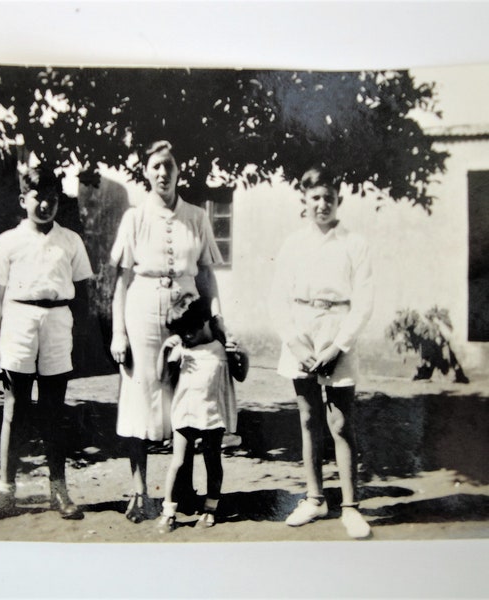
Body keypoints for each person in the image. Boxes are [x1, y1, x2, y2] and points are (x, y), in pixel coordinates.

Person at [109, 140, 226, 523]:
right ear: (145, 171)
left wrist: (218, 320)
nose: (163, 172)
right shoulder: (135, 218)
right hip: (142, 312)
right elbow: (122, 282)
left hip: (190, 317)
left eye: (169, 166)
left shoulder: (196, 216)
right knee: (141, 395)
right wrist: (118, 333)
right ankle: (140, 491)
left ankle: (185, 490)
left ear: (179, 171)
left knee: (188, 397)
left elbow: (207, 273)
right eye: (156, 166)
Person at [0, 164, 94, 522]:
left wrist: (76, 333)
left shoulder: (70, 240)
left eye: (52, 198)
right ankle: (5, 491)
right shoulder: (8, 241)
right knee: (14, 408)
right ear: (22, 200)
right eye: (38, 198)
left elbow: (83, 295)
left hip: (57, 323)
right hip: (18, 323)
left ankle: (58, 489)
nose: (45, 205)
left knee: (53, 411)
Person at [268, 166, 374, 539]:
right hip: (301, 334)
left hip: (337, 333)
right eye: (315, 197)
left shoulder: (353, 243)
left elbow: (363, 302)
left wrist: (337, 346)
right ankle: (315, 499)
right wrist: (296, 343)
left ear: (338, 200)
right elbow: (278, 300)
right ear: (305, 201)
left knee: (341, 423)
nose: (322, 203)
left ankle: (350, 506)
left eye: (328, 197)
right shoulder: (293, 244)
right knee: (309, 419)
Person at [155, 295, 248, 533]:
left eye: (189, 331)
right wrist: (163, 353)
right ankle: (168, 511)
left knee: (212, 460)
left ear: (204, 322)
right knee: (178, 461)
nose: (186, 336)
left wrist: (243, 355)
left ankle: (210, 508)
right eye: (180, 332)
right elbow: (162, 377)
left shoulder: (222, 348)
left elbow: (241, 375)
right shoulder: (182, 350)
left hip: (212, 413)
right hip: (185, 411)